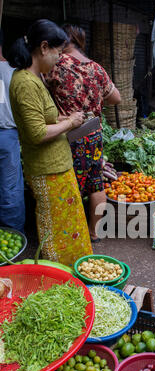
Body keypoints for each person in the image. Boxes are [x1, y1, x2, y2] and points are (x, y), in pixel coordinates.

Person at [8, 19, 93, 266]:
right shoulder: (25, 82)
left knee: (68, 224)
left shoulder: (35, 79)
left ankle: (75, 270)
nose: (59, 58)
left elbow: (44, 119)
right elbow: (36, 133)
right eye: (58, 52)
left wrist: (67, 118)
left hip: (56, 165)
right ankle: (60, 276)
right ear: (44, 47)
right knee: (57, 230)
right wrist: (69, 124)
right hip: (47, 169)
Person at [45, 24, 121, 242]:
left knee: (71, 186)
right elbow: (116, 98)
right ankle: (94, 232)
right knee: (96, 183)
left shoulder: (55, 64)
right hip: (94, 132)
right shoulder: (96, 68)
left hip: (69, 134)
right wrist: (94, 98)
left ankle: (71, 236)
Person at [0, 29, 25, 233]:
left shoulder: (8, 72)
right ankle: (13, 233)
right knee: (10, 188)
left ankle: (12, 234)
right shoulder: (13, 71)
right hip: (8, 136)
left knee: (9, 189)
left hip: (6, 134)